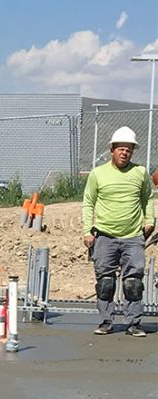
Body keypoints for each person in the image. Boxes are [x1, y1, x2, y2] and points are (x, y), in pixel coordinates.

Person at [82, 126, 154, 337]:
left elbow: (147, 199)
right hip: (105, 236)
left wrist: (150, 221)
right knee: (105, 282)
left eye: (129, 150)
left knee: (133, 282)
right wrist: (87, 231)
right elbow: (88, 203)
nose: (125, 153)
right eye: (121, 149)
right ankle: (106, 321)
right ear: (112, 150)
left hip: (133, 236)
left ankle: (133, 323)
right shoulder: (98, 174)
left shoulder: (140, 173)